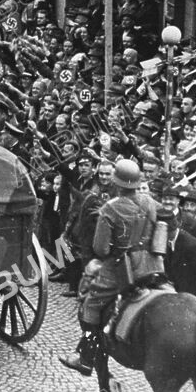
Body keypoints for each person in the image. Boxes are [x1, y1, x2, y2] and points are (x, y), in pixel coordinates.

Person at [60, 158, 159, 376]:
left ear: (116, 183)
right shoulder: (150, 202)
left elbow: (101, 249)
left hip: (120, 268)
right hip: (150, 266)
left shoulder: (110, 209)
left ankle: (85, 358)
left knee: (91, 303)